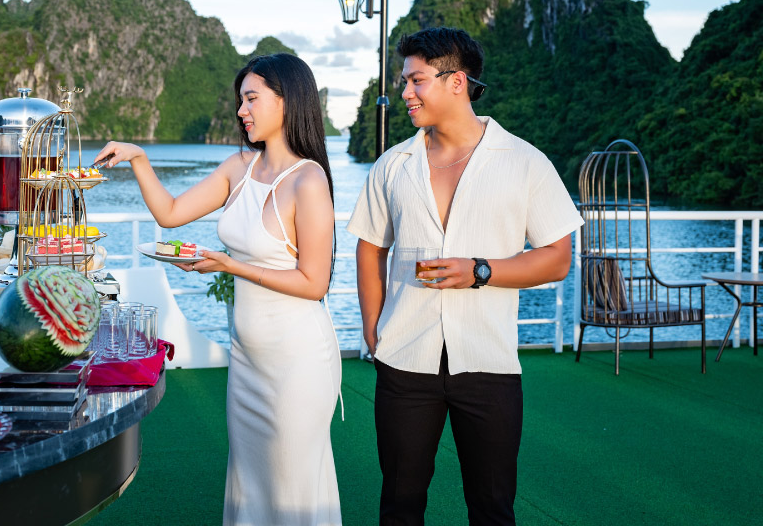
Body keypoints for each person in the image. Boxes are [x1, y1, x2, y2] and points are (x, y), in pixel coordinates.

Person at [94, 53, 342, 525]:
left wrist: (231, 266)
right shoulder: (239, 167)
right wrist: (139, 158)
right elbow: (169, 214)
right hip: (248, 356)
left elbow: (315, 283)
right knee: (250, 482)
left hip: (299, 361)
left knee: (292, 486)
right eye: (240, 100)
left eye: (252, 99)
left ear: (288, 102)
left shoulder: (308, 180)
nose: (241, 110)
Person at [347, 27, 583, 525]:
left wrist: (481, 270)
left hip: (489, 364)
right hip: (404, 360)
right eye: (404, 81)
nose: (405, 93)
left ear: (457, 81)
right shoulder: (392, 166)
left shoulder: (524, 162)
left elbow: (557, 257)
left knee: (492, 508)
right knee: (400, 505)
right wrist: (373, 329)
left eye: (416, 81)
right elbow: (369, 248)